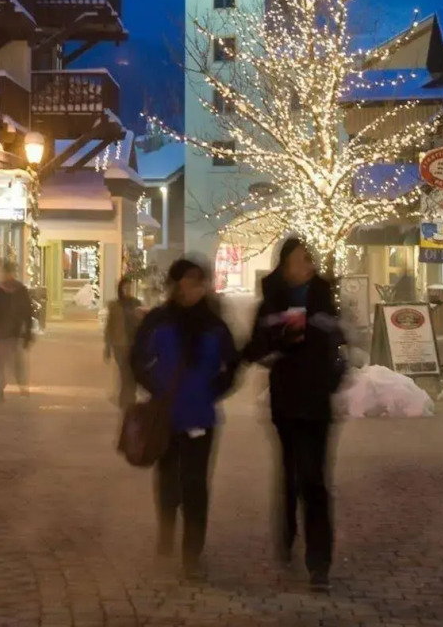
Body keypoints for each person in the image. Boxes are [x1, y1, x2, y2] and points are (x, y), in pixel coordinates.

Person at [243, 236, 345, 592]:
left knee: (314, 480)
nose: (309, 264)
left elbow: (338, 344)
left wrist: (331, 377)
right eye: (302, 259)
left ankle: (319, 563)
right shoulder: (273, 298)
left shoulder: (322, 295)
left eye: (310, 258)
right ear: (286, 264)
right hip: (286, 402)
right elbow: (254, 347)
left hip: (317, 402)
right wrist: (278, 340)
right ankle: (287, 536)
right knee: (290, 474)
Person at [131, 258, 239, 581]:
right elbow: (137, 359)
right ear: (175, 286)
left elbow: (231, 365)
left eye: (196, 283)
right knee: (167, 481)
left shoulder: (214, 326)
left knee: (195, 485)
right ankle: (166, 534)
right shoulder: (159, 321)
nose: (189, 289)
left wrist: (212, 391)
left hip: (200, 418)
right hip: (166, 416)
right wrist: (154, 387)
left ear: (204, 286)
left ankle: (192, 553)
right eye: (183, 283)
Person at [0, 261, 33, 400]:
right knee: (17, 362)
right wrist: (27, 332)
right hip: (16, 333)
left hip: (0, 334)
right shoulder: (21, 290)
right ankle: (23, 388)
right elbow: (27, 313)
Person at [103, 277, 144, 408]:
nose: (127, 290)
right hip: (119, 344)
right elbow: (109, 327)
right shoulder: (115, 306)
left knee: (130, 372)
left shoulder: (137, 304)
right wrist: (107, 347)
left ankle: (127, 397)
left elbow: (143, 325)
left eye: (129, 287)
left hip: (134, 343)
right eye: (125, 287)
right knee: (125, 371)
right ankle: (126, 399)